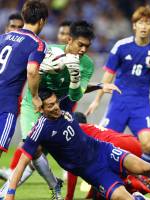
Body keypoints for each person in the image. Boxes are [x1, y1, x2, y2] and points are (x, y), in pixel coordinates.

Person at [4, 89, 150, 200]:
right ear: (41, 108)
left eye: (56, 103)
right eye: (50, 105)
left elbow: (78, 90)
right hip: (93, 172)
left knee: (147, 167)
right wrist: (11, 193)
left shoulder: (61, 105)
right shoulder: (40, 130)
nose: (55, 107)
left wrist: (99, 86)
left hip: (103, 150)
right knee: (125, 198)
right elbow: (22, 163)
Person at [0, 21, 120, 199]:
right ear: (70, 40)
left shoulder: (86, 64)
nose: (83, 50)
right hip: (33, 104)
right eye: (80, 44)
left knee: (37, 153)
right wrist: (43, 73)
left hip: (57, 108)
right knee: (31, 148)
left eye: (87, 46)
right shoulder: (49, 51)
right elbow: (32, 74)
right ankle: (22, 190)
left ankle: (17, 190)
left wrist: (75, 78)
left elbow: (75, 95)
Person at [86, 5, 150, 164]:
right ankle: (95, 179)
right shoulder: (121, 46)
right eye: (140, 22)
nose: (144, 26)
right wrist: (97, 100)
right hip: (119, 103)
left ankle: (147, 177)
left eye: (148, 23)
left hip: (141, 104)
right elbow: (108, 75)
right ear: (134, 25)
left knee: (148, 144)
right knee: (103, 142)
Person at [0, 0, 48, 158]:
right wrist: (35, 97)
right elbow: (32, 70)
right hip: (6, 101)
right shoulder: (37, 43)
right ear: (42, 21)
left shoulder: (4, 37)